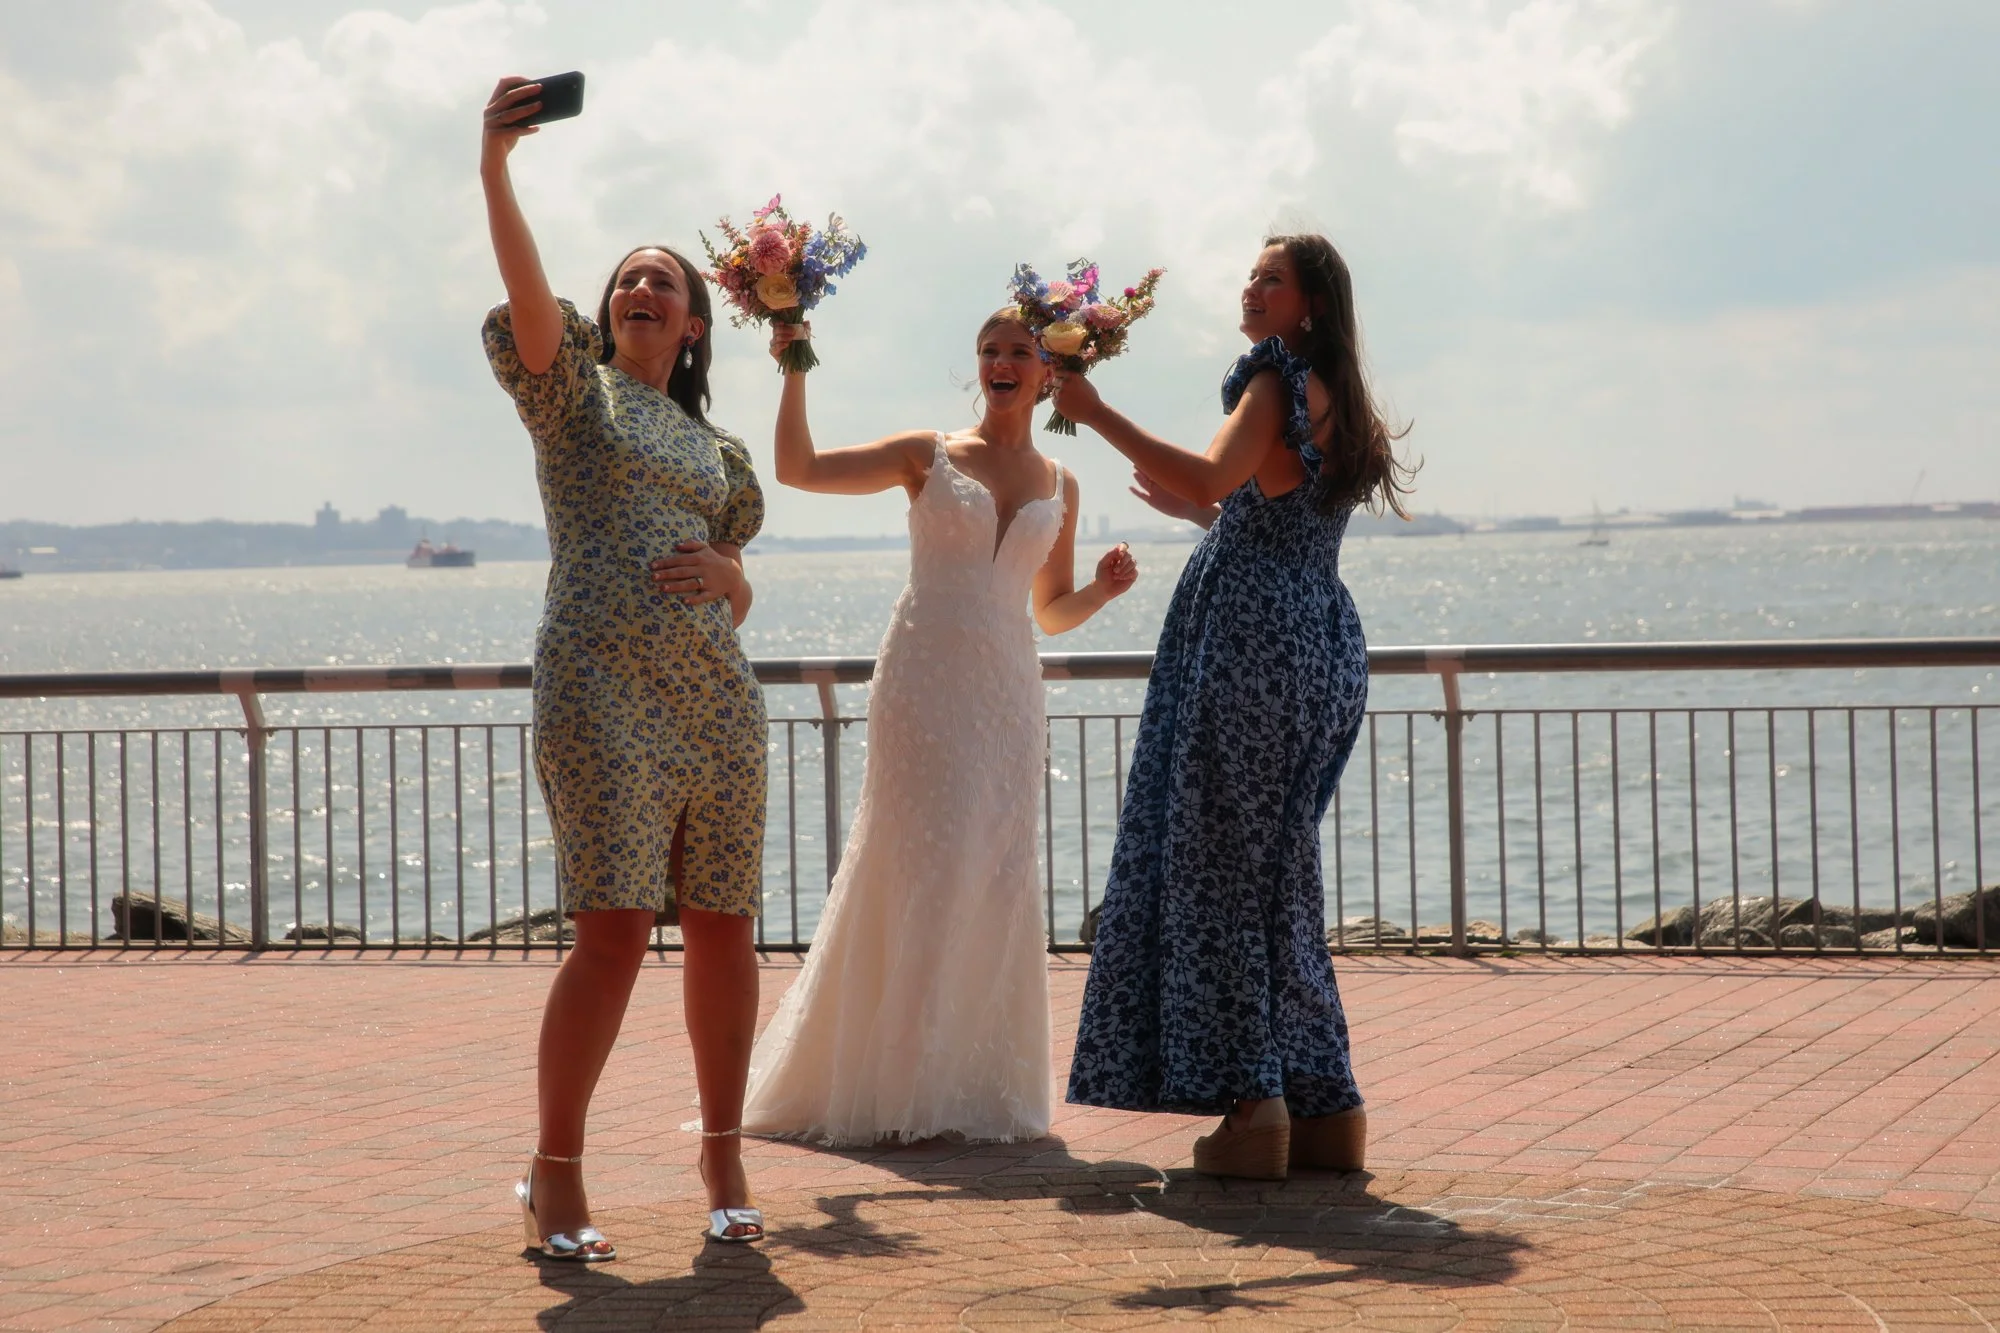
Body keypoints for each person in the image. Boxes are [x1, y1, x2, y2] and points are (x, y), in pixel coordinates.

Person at [726, 311, 1138, 1146]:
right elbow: (797, 469)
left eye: (1020, 351)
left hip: (1008, 692)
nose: (1001, 361)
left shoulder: (1064, 480)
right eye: (988, 349)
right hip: (923, 680)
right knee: (926, 862)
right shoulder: (929, 454)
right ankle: (896, 1088)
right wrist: (794, 362)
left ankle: (972, 1089)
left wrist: (1099, 590)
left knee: (993, 868)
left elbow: (1048, 611)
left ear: (1048, 372)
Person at [480, 75, 769, 1253]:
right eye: (629, 277)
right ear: (606, 312)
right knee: (609, 929)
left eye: (667, 281)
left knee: (723, 928)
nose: (644, 287)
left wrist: (735, 581)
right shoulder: (572, 393)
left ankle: (721, 1153)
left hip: (715, 703)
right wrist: (495, 165)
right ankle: (554, 1170)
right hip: (599, 684)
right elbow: (522, 294)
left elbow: (733, 565)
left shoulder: (716, 447)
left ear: (695, 323)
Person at [1059, 234, 1415, 1179]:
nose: (1252, 289)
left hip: (1250, 642)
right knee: (1278, 873)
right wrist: (1202, 515)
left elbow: (1212, 472)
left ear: (1310, 304)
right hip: (1319, 639)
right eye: (1250, 276)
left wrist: (1093, 412)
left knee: (1217, 870)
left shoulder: (1274, 378)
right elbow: (1257, 502)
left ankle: (1255, 1108)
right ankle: (1327, 1106)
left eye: (1272, 279)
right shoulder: (1335, 392)